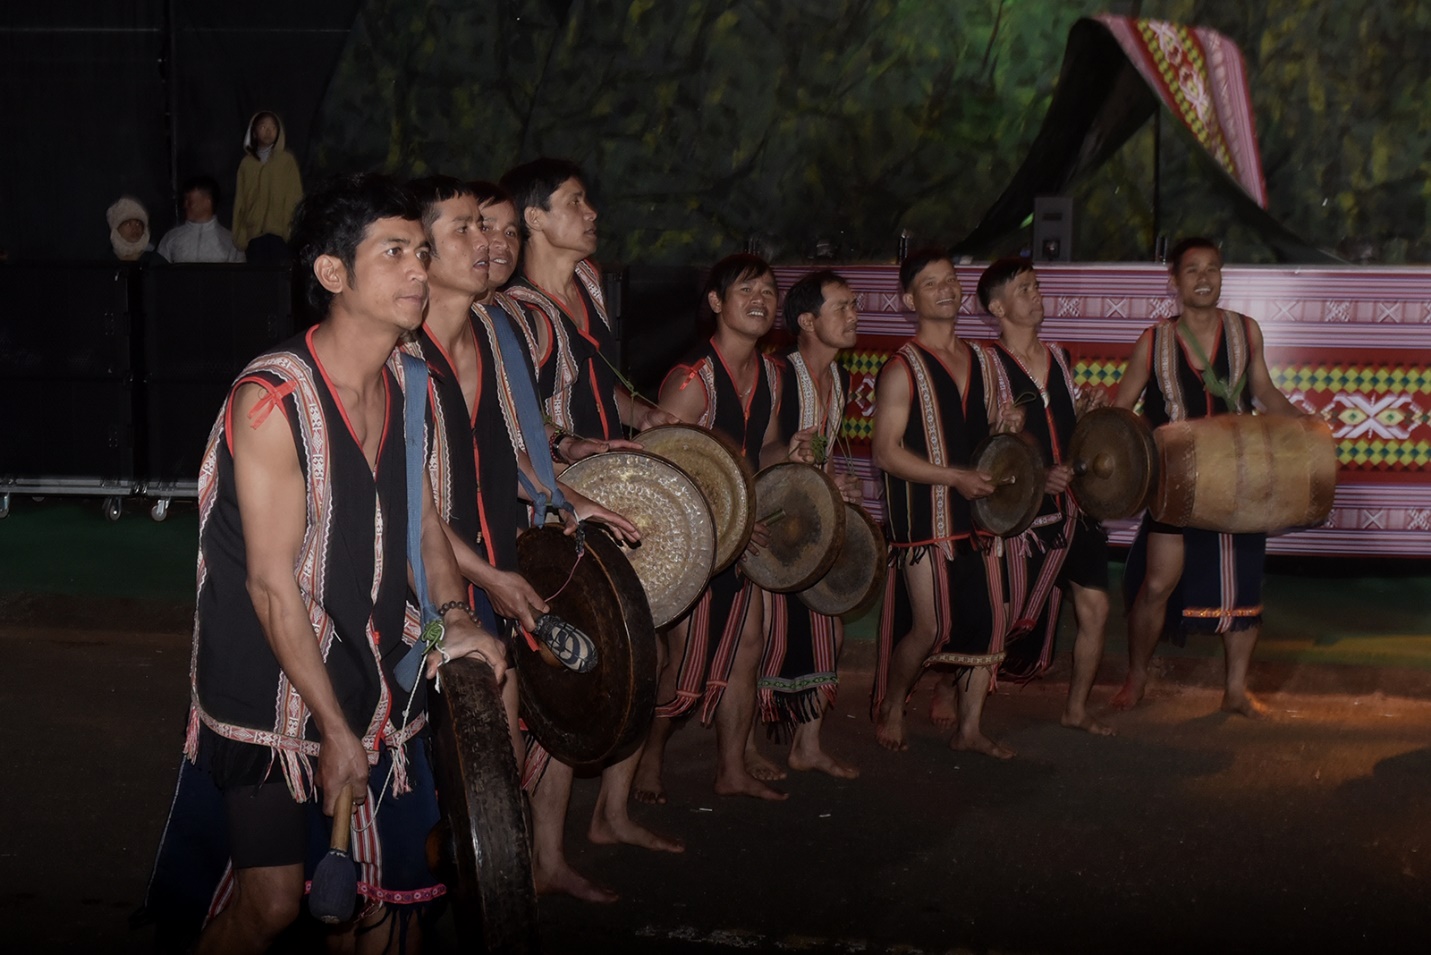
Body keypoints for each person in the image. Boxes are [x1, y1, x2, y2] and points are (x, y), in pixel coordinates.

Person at [146, 173, 508, 952]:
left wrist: (451, 617)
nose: (419, 270)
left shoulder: (409, 382)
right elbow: (271, 585)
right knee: (273, 903)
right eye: (393, 253)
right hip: (270, 690)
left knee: (373, 901)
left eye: (420, 251)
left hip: (366, 667)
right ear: (332, 273)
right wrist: (336, 731)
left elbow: (422, 524)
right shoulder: (274, 399)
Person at [404, 177, 673, 905]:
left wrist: (569, 501)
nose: (492, 245)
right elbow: (406, 503)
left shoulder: (494, 332)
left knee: (517, 726)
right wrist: (481, 579)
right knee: (430, 767)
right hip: (422, 585)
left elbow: (518, 448)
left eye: (497, 233)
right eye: (470, 229)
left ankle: (519, 874)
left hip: (501, 563)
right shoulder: (401, 348)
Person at [635, 253, 807, 804]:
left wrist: (790, 453)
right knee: (683, 662)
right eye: (746, 290)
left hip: (745, 539)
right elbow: (659, 476)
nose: (761, 300)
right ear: (716, 303)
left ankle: (731, 767)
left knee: (747, 647)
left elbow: (769, 444)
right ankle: (647, 762)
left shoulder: (774, 374)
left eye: (769, 291)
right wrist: (723, 526)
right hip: (692, 546)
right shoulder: (692, 381)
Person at [1111, 237, 1302, 717]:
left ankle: (1235, 690)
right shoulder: (1152, 340)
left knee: (1244, 590)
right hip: (1175, 482)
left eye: (1213, 268)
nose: (1204, 277)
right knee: (1157, 585)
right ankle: (1137, 676)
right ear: (1173, 279)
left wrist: (1305, 426)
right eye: (1192, 269)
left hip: (1239, 479)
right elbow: (1120, 408)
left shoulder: (1246, 331)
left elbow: (1264, 393)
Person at [869, 248, 1015, 758]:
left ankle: (969, 729)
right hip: (924, 521)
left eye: (951, 280)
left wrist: (1007, 425)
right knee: (931, 628)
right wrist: (954, 477)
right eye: (931, 284)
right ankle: (892, 702)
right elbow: (885, 453)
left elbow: (990, 431)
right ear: (910, 299)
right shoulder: (899, 369)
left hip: (981, 515)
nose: (946, 289)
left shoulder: (984, 360)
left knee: (989, 624)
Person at [975, 257, 1114, 735]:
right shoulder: (985, 365)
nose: (1036, 294)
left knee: (1095, 607)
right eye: (1024, 289)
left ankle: (1076, 708)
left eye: (1037, 286)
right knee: (1001, 615)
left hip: (1075, 509)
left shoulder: (1059, 356)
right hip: (1022, 517)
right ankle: (950, 689)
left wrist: (1086, 406)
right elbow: (985, 447)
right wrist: (1033, 470)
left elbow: (1064, 426)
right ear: (997, 306)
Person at [755, 270, 862, 778]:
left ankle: (807, 745)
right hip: (769, 526)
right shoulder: (777, 374)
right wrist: (790, 460)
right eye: (841, 306)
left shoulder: (836, 379)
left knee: (829, 631)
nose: (853, 314)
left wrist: (836, 482)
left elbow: (815, 457)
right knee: (758, 641)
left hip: (809, 528)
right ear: (807, 321)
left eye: (853, 305)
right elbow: (757, 450)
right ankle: (742, 749)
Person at [498, 158, 673, 437]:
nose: (591, 213)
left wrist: (641, 415)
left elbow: (596, 388)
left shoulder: (587, 279)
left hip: (607, 472)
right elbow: (512, 420)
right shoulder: (520, 311)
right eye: (574, 202)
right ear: (535, 218)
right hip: (560, 477)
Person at [233, 110, 304, 264]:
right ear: (254, 131)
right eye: (263, 127)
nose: (269, 131)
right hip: (254, 235)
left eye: (273, 127)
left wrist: (291, 232)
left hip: (280, 235)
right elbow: (241, 201)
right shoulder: (247, 164)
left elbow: (294, 197)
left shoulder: (286, 161)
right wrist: (241, 234)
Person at [156, 176, 244, 263]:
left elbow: (239, 275)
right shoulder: (171, 238)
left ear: (207, 202)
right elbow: (158, 272)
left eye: (190, 201)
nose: (185, 205)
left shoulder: (230, 242)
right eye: (185, 200)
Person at [106, 196, 162, 264]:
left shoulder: (156, 262)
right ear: (116, 228)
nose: (135, 228)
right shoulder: (104, 265)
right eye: (128, 224)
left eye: (138, 223)